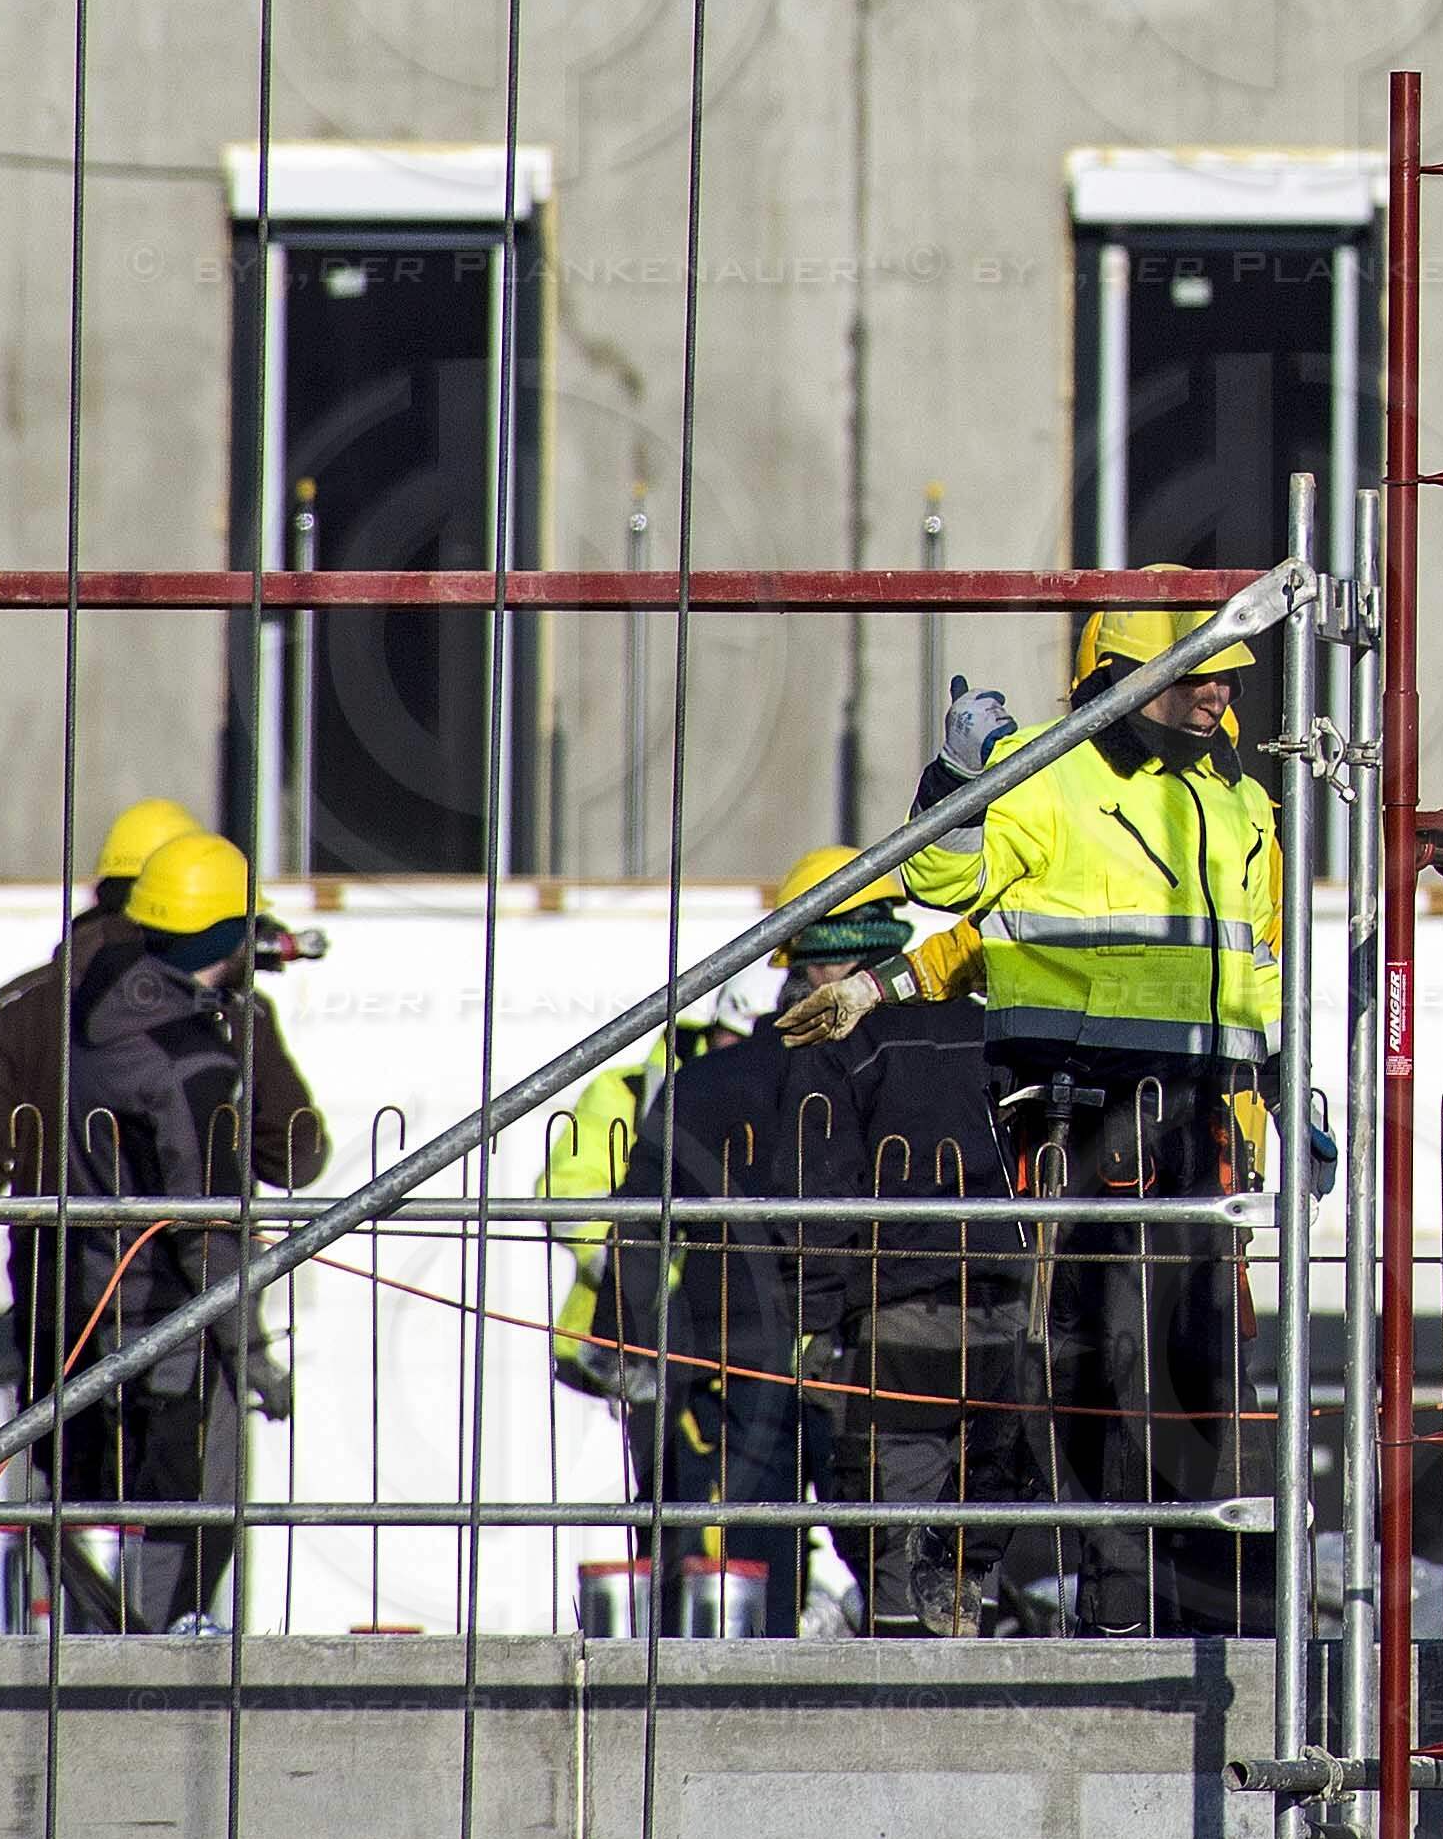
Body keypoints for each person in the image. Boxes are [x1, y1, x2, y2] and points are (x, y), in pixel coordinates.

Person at [797, 610, 1284, 1634]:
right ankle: (1038, 1571)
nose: (1222, 695)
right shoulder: (1045, 773)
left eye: (1232, 679)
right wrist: (954, 777)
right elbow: (949, 887)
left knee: (1186, 1366)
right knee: (1087, 1354)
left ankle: (1148, 1597)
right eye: (1201, 674)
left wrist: (1282, 1096)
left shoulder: (1241, 804)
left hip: (1198, 1119)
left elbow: (1257, 965)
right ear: (1120, 676)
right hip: (1074, 1111)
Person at [612, 848, 1032, 1635]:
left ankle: (758, 1695)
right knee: (935, 1550)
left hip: (769, 1350)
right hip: (943, 1327)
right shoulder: (974, 1041)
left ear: (805, 958)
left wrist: (632, 1348)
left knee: (771, 1555)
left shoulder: (744, 1072)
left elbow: (647, 1224)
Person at [0, 830, 328, 1631]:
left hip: (75, 1307)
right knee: (191, 1514)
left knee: (67, 1506)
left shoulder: (93, 1013)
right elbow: (211, 1226)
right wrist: (251, 1351)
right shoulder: (187, 1063)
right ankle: (151, 1675)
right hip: (169, 1326)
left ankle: (92, 1653)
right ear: (229, 936)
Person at [0, 802, 291, 1404]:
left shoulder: (24, 1004)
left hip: (54, 1305)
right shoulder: (214, 1016)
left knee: (70, 1495)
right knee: (185, 1498)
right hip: (186, 1316)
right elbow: (295, 1157)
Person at [544, 1001, 746, 1522]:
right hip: (647, 1336)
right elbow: (568, 1198)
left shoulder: (791, 1084)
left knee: (760, 1517)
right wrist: (647, 1275)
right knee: (673, 1508)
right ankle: (672, 1600)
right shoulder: (624, 1095)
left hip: (754, 1337)